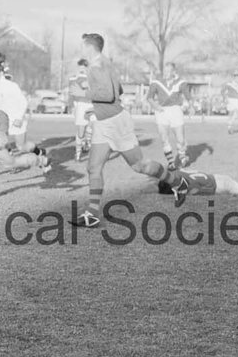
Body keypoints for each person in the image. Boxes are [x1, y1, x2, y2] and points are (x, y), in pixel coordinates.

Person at [71, 33, 182, 228]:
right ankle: (92, 213)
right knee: (93, 167)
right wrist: (97, 107)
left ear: (90, 48)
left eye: (82, 46)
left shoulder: (96, 66)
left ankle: (177, 183)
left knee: (140, 166)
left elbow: (109, 94)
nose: (80, 50)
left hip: (116, 122)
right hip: (105, 122)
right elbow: (119, 91)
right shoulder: (105, 63)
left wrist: (84, 94)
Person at [146, 63, 189, 170]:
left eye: (169, 71)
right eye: (165, 71)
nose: (167, 73)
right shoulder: (156, 82)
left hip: (176, 110)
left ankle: (182, 155)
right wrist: (156, 106)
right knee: (164, 138)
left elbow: (188, 97)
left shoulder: (181, 82)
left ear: (174, 72)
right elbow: (149, 98)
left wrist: (188, 106)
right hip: (162, 111)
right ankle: (171, 163)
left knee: (180, 139)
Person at [69, 58, 94, 161]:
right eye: (80, 68)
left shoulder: (93, 78)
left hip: (91, 105)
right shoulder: (74, 78)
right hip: (80, 105)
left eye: (84, 68)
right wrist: (72, 106)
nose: (82, 70)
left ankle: (88, 144)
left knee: (92, 126)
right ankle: (78, 153)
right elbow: (71, 93)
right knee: (81, 131)